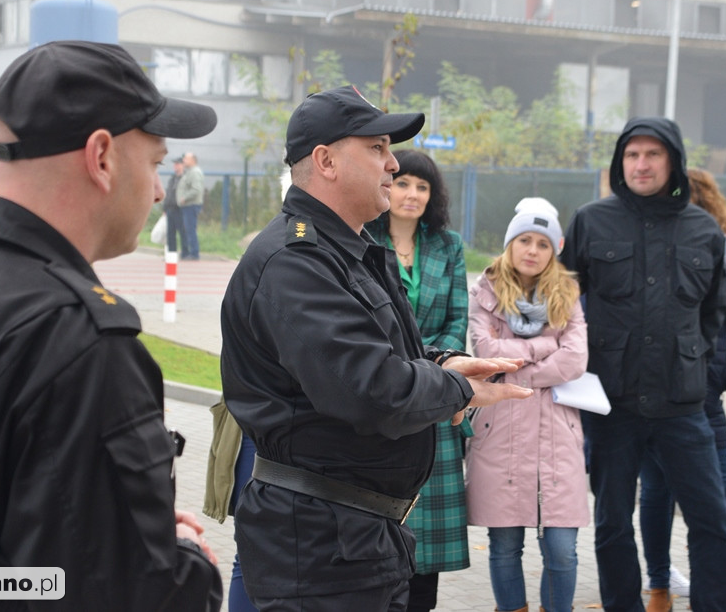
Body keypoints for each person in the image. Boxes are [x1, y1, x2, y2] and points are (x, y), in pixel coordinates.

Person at [0, 40, 224, 611]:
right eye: (154, 162)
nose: (159, 190)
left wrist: (129, 533)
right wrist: (182, 556)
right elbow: (125, 598)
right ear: (101, 156)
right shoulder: (79, 340)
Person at [220, 84, 533, 612]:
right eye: (377, 148)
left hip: (351, 538)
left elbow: (381, 354)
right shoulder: (297, 263)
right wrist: (456, 388)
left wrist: (440, 363)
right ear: (325, 161)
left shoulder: (344, 249)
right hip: (321, 547)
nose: (392, 165)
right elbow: (371, 390)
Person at [559, 116, 726, 612]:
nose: (641, 164)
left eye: (652, 155)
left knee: (711, 519)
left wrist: (702, 374)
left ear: (673, 162)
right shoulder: (591, 221)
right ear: (620, 162)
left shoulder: (703, 230)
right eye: (632, 155)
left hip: (683, 406)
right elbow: (563, 304)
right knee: (613, 522)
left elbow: (713, 316)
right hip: (612, 405)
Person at [638, 168, 726, 612]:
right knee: (654, 496)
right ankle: (658, 588)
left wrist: (718, 379)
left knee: (720, 499)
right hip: (649, 402)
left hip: (702, 406)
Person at [466, 197, 590, 612]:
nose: (532, 250)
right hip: (499, 431)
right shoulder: (484, 291)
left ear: (554, 249)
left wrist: (518, 371)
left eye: (542, 242)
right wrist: (544, 346)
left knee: (562, 549)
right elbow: (484, 349)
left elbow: (575, 359)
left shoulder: (567, 294)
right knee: (504, 545)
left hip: (557, 432)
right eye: (524, 240)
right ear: (510, 244)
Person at [364, 149, 470, 612]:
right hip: (385, 395)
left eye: (422, 187)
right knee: (382, 535)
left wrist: (434, 369)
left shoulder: (448, 246)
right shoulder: (361, 239)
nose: (411, 194)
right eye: (404, 182)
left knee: (428, 547)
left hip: (436, 401)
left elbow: (457, 319)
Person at [177, 151, 205, 260]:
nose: (184, 160)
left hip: (191, 205)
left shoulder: (195, 172)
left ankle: (194, 253)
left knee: (190, 229)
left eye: (186, 159)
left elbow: (196, 189)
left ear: (193, 160)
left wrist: (185, 198)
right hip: (188, 206)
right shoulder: (190, 172)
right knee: (188, 229)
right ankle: (190, 252)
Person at [163, 155, 186, 255]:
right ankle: (171, 253)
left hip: (180, 209)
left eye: (177, 164)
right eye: (175, 165)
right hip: (170, 209)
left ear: (182, 165)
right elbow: (168, 194)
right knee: (170, 233)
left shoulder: (185, 178)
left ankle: (186, 252)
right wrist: (165, 208)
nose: (175, 166)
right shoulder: (172, 179)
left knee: (183, 232)